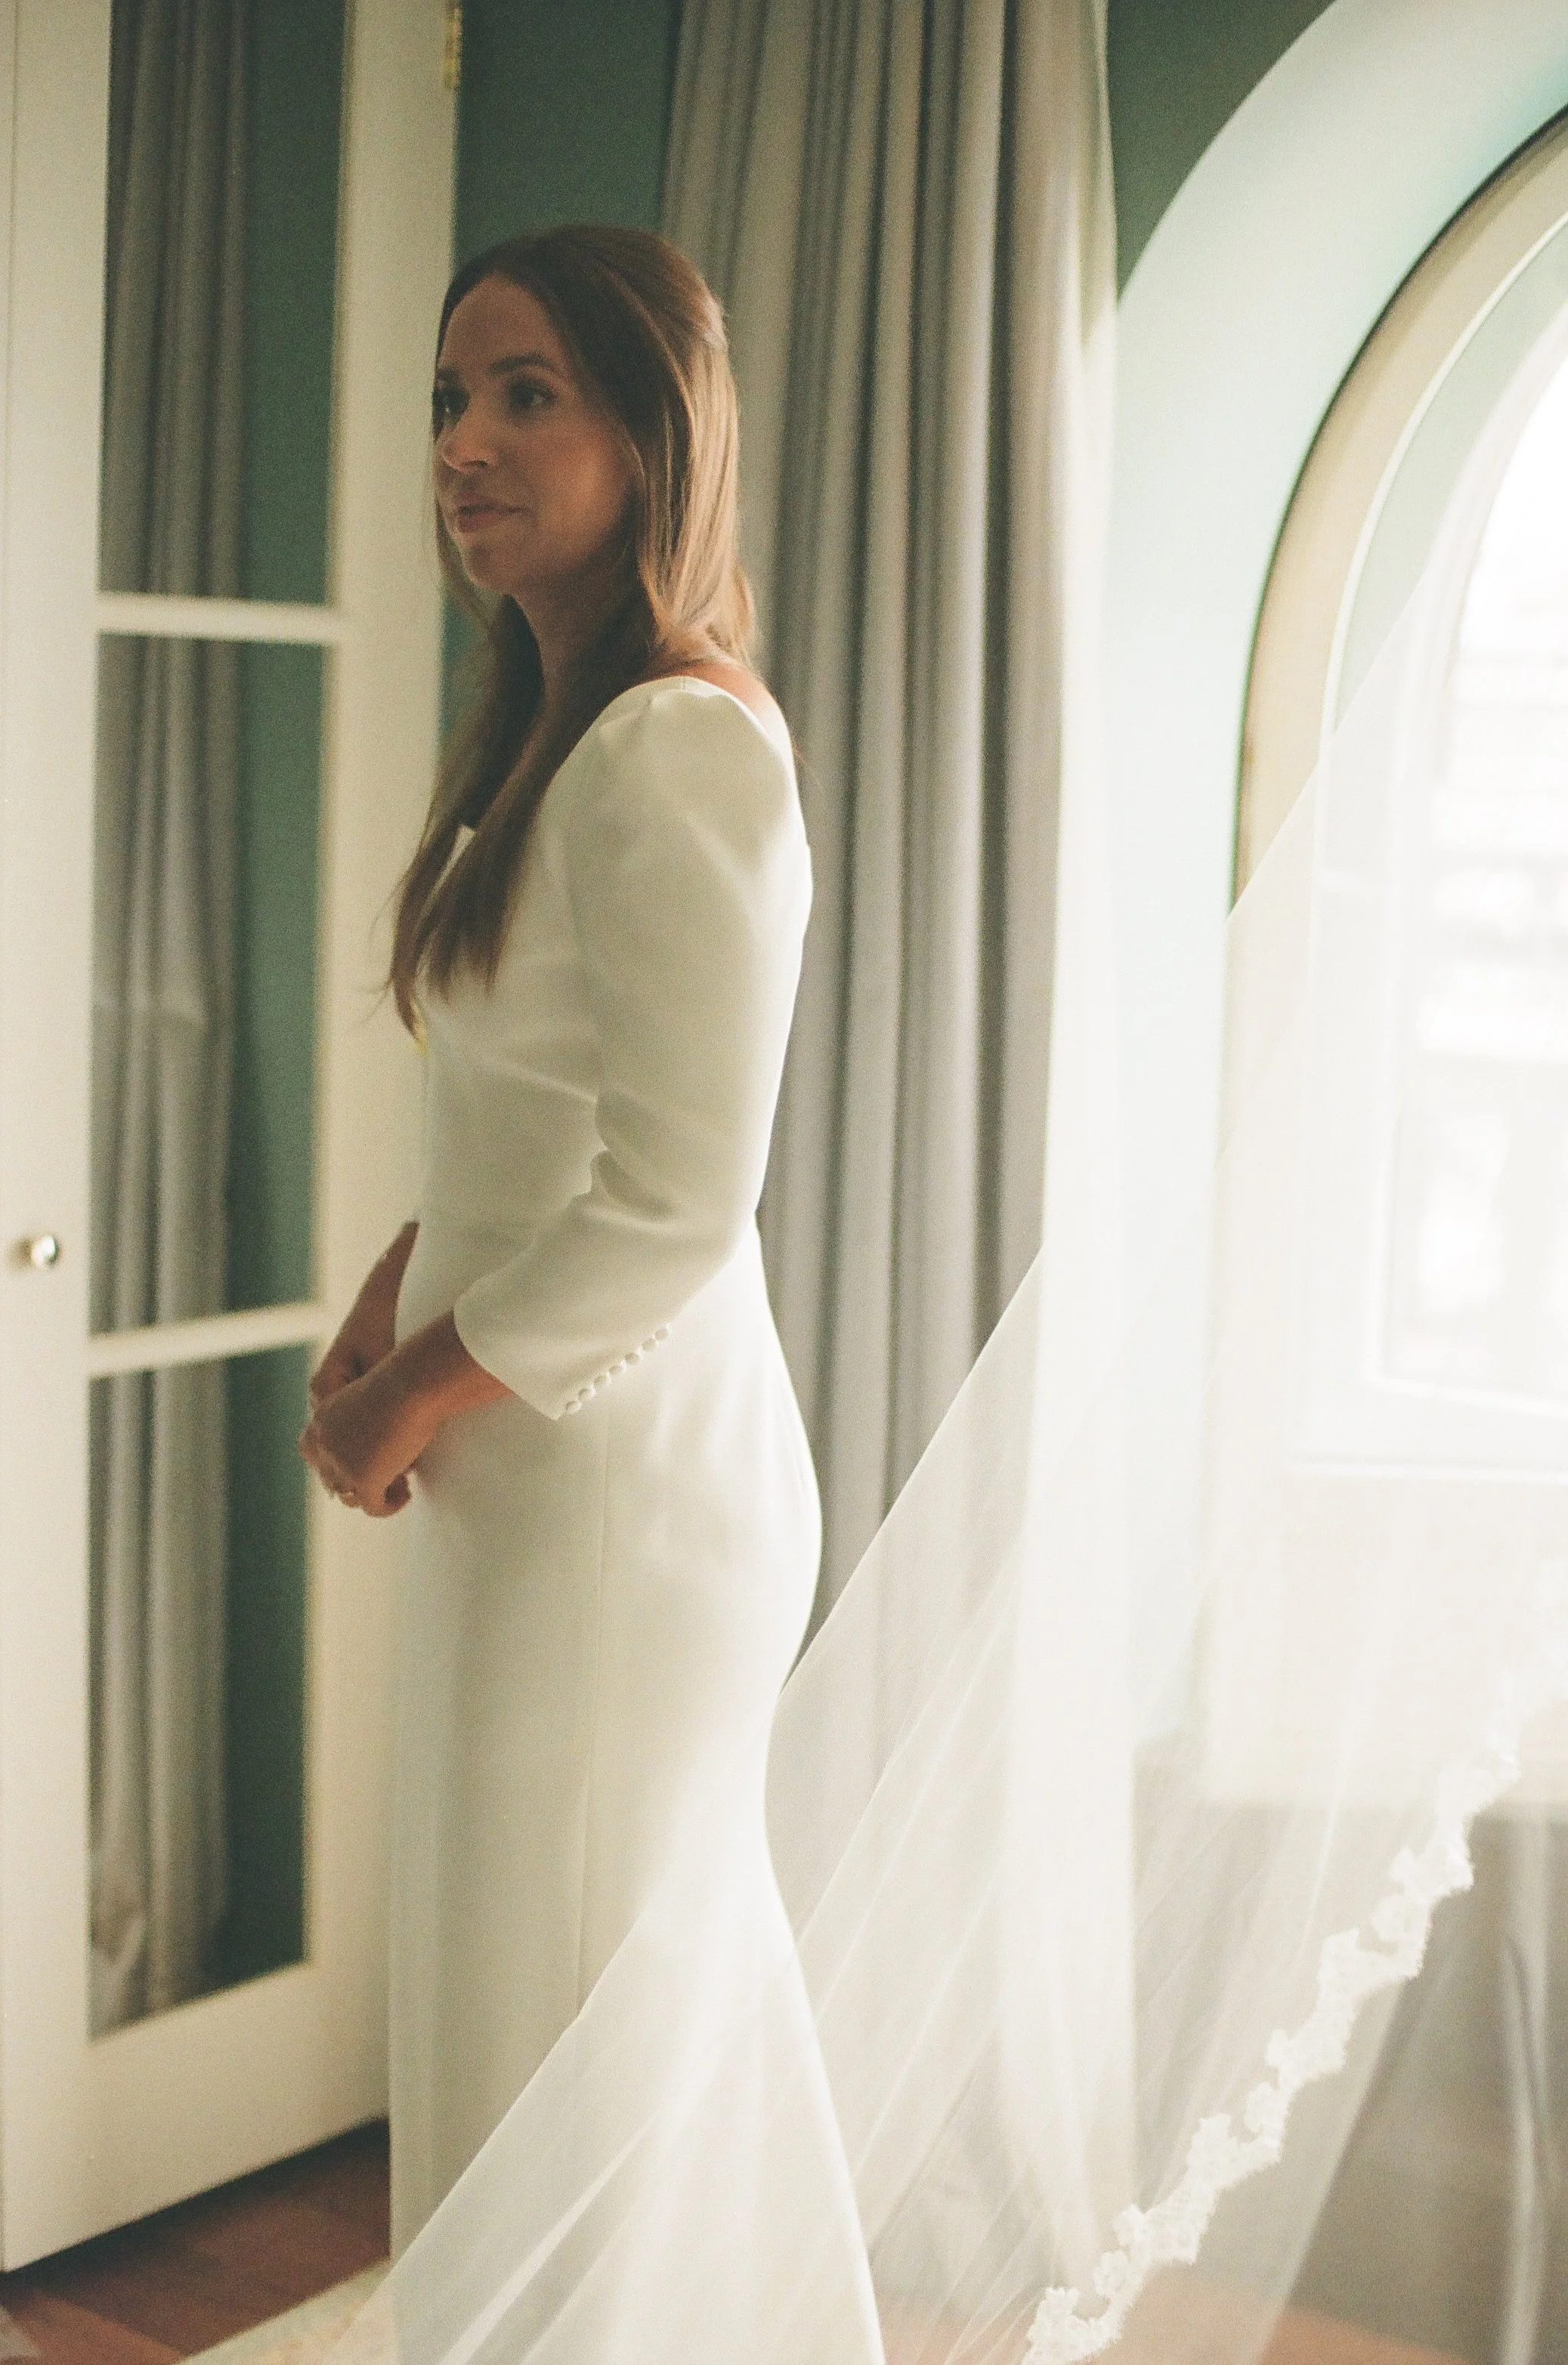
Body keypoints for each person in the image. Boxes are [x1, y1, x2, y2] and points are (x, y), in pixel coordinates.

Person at [296, 224, 821, 2250]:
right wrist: (384, 1310)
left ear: (653, 435)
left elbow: (679, 1199)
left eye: (529, 394)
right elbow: (526, 1115)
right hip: (533, 1471)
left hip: (625, 1498)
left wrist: (414, 1393)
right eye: (451, 397)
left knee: (570, 2046)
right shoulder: (547, 739)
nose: (466, 443)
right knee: (517, 2021)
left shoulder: (680, 744)